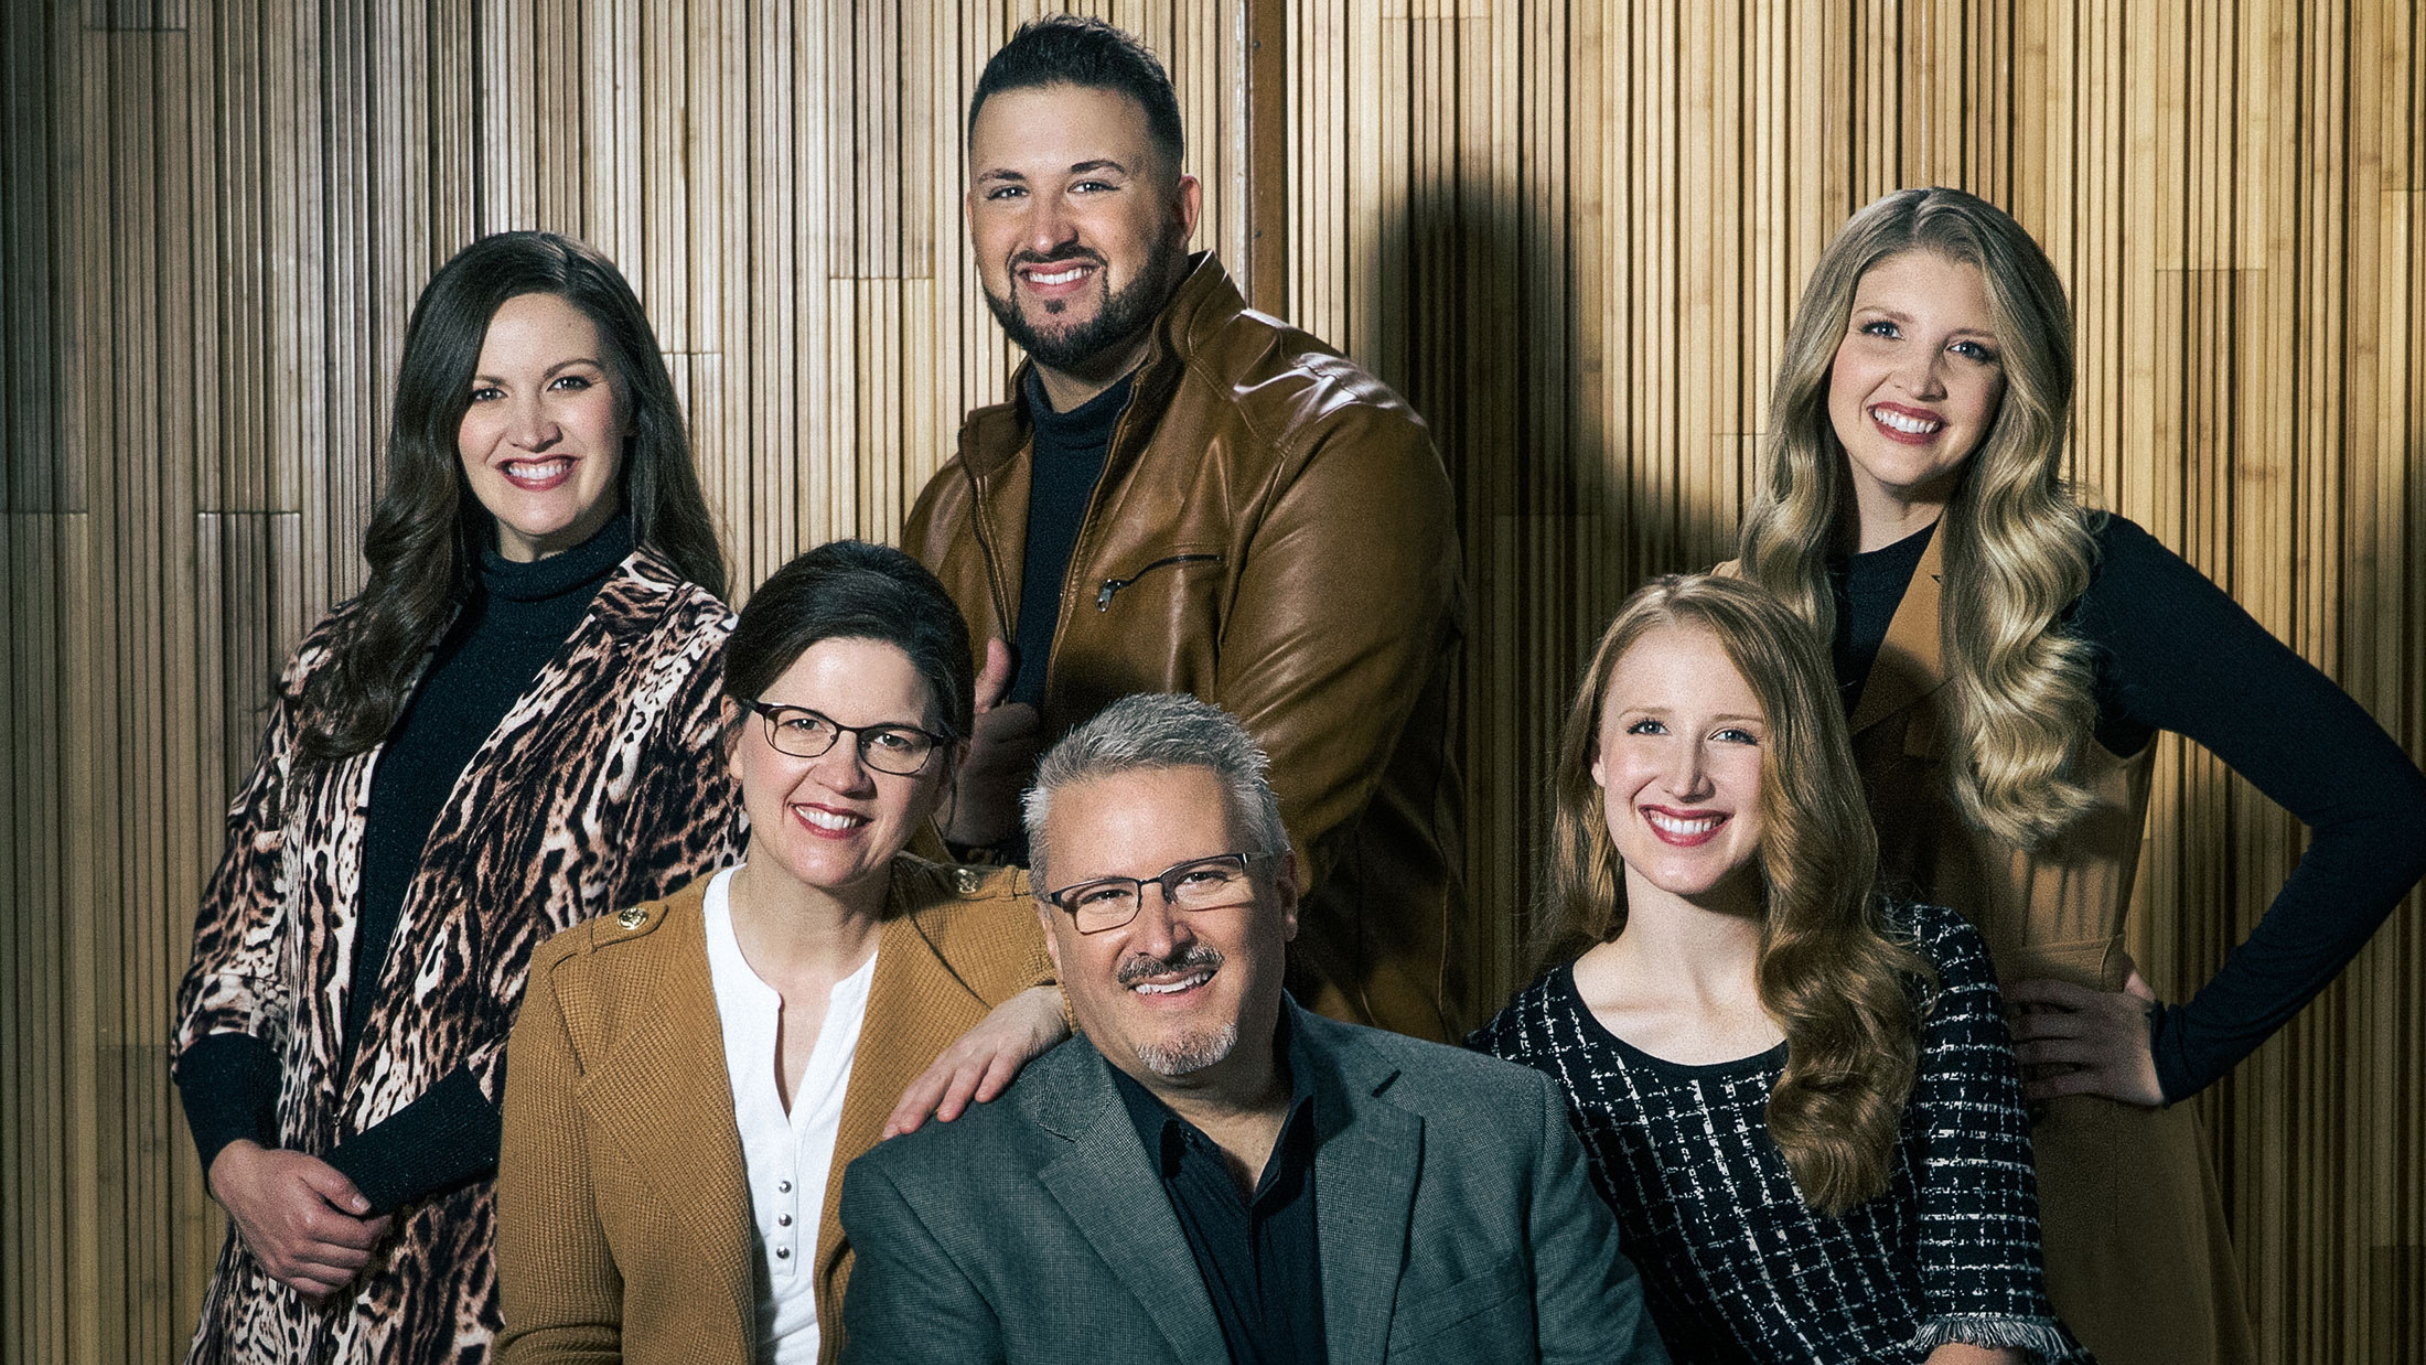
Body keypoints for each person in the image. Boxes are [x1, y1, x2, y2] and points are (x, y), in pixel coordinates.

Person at [1724, 186, 2426, 1364]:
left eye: (1969, 349)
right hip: (1824, 1166)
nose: (1917, 380)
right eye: (1881, 329)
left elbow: (2384, 812)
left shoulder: (2093, 578)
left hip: (2057, 1166)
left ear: (2015, 388)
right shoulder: (1747, 596)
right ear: (1824, 351)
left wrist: (2180, 1048)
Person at [172, 231, 742, 1363]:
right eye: (486, 391)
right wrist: (236, 1158)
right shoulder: (351, 653)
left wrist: (343, 1186)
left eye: (567, 384)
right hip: (274, 1283)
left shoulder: (706, 676)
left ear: (630, 406)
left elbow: (641, 1012)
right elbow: (238, 950)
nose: (529, 429)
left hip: (495, 1280)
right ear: (443, 420)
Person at [902, 15, 1468, 1041]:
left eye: (1089, 182)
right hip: (1028, 1090)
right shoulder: (953, 508)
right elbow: (893, 867)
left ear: (1181, 208)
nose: (1043, 232)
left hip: (1304, 1104)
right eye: (1005, 191)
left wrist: (1016, 956)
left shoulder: (1332, 447)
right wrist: (955, 817)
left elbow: (1244, 857)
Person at [836, 692, 1668, 1365]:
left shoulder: (1501, 1131)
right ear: (1053, 938)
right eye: (1104, 896)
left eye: (1201, 878)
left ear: (1284, 893)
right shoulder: (935, 1205)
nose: (1159, 937)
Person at [1473, 574, 2087, 1364]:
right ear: (1596, 754)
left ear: (1795, 759)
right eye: (1649, 725)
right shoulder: (1516, 1071)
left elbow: (1988, 1318)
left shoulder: (1927, 975)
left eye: (1734, 734)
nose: (1685, 775)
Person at [494, 540, 1070, 1365]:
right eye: (802, 725)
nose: (842, 775)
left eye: (894, 739)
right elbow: (560, 1339)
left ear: (947, 769)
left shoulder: (1018, 935)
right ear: (733, 736)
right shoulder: (582, 990)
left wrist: (1052, 1003)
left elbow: (1193, 969)